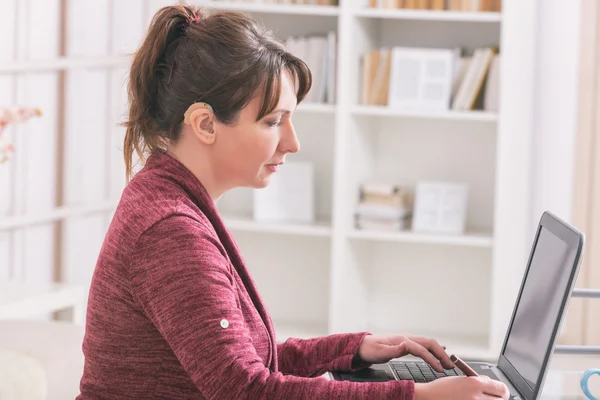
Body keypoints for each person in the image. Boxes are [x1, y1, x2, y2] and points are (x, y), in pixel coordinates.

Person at [76, 5, 510, 400]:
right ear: (205, 123)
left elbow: (241, 363)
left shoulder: (169, 199)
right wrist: (417, 397)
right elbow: (246, 391)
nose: (293, 142)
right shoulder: (170, 230)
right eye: (273, 121)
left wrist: (354, 349)